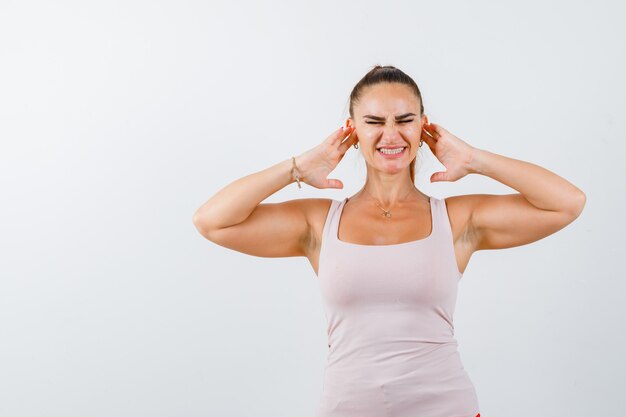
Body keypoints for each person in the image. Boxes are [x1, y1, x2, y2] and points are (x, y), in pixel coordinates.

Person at [192, 65, 586, 417]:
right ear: (352, 130)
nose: (391, 134)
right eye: (374, 121)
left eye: (405, 120)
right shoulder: (318, 223)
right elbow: (212, 222)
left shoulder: (456, 219)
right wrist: (297, 167)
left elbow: (567, 203)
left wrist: (475, 160)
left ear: (423, 127)